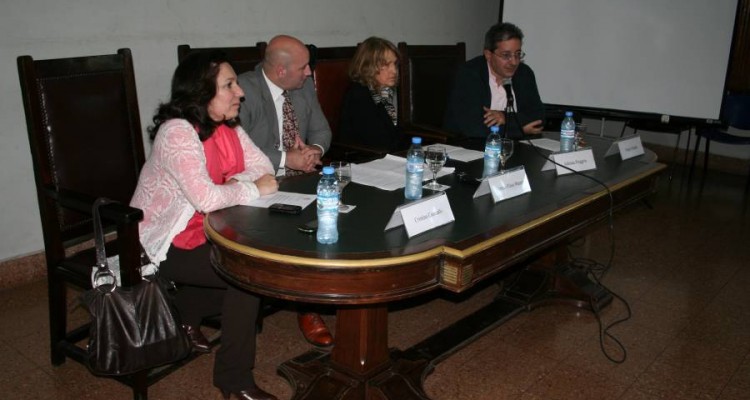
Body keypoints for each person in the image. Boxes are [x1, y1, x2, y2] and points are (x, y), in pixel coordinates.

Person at [131, 51, 279, 400]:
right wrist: (249, 187)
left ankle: (181, 314)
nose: (240, 93)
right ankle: (234, 380)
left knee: (242, 270)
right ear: (201, 92)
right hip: (160, 242)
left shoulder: (229, 125)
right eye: (229, 85)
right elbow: (206, 199)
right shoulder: (177, 133)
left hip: (206, 232)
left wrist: (236, 184)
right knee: (246, 276)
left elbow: (264, 165)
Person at [237, 35, 334, 348]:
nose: (309, 73)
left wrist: (314, 151)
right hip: (256, 183)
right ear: (281, 71)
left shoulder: (302, 86)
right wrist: (284, 158)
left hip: (299, 179)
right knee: (297, 233)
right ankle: (307, 307)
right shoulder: (243, 91)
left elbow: (322, 129)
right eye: (304, 67)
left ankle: (311, 299)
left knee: (329, 222)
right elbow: (237, 148)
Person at [444, 22, 545, 139]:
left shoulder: (524, 73)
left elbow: (538, 118)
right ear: (488, 54)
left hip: (513, 145)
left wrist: (504, 117)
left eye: (517, 54)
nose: (514, 62)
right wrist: (521, 129)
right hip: (467, 146)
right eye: (506, 55)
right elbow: (473, 128)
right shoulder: (469, 74)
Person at [339, 36, 408, 153]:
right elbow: (378, 142)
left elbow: (395, 135)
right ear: (367, 66)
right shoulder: (359, 96)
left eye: (395, 64)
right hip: (364, 160)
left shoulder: (383, 92)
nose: (394, 71)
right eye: (385, 65)